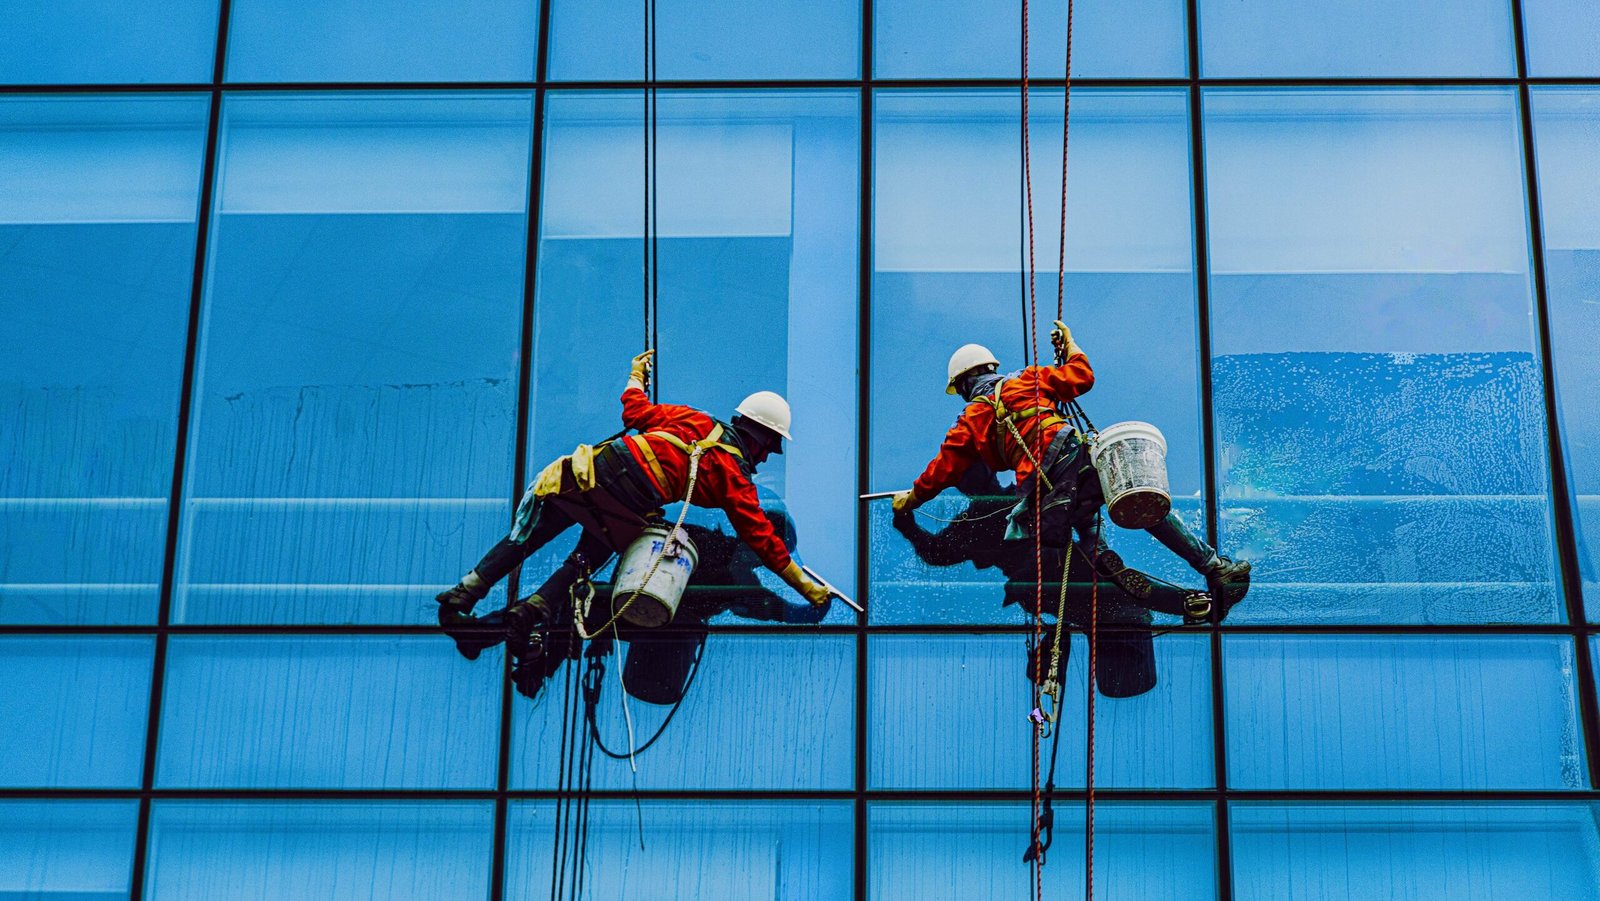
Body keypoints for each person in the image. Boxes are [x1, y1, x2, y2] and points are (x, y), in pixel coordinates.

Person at [434, 349, 832, 686]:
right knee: (588, 556)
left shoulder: (693, 420)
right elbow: (762, 539)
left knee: (532, 537)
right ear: (760, 435)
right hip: (627, 497)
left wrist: (635, 376)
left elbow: (635, 412)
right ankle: (531, 611)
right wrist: (806, 590)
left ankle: (466, 594)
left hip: (589, 472)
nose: (765, 458)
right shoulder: (733, 474)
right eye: (770, 448)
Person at [889, 321, 1249, 619]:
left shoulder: (970, 420)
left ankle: (1129, 572)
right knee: (1138, 501)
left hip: (1050, 491)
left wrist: (911, 500)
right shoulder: (1027, 380)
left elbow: (941, 470)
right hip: (1080, 462)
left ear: (965, 384)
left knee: (1095, 554)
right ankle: (1214, 566)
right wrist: (1072, 346)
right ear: (990, 369)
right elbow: (1081, 376)